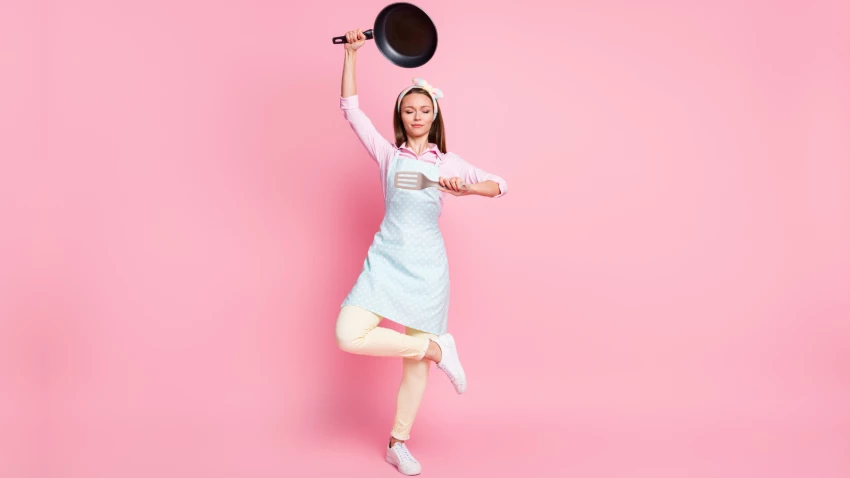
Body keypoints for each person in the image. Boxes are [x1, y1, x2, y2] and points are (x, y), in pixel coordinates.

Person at [334, 28, 508, 476]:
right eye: (409, 110)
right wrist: (352, 54)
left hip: (429, 269)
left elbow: (499, 184)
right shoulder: (388, 156)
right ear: (401, 116)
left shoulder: (447, 163)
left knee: (414, 370)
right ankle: (434, 347)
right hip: (385, 261)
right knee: (348, 333)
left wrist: (468, 190)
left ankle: (398, 442)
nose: (416, 115)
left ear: (434, 115)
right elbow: (351, 110)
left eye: (424, 109)